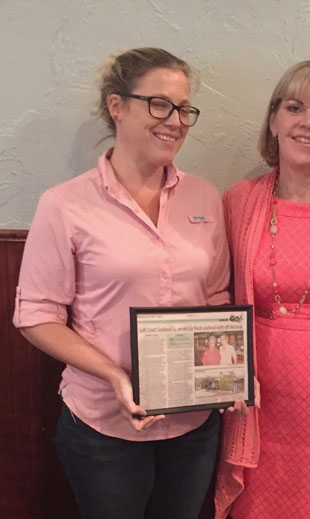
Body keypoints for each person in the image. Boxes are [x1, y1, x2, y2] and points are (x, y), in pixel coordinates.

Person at [13, 47, 230, 519]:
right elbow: (36, 316)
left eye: (183, 109)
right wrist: (114, 375)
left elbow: (215, 297)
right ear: (117, 106)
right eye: (159, 104)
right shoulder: (65, 205)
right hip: (103, 428)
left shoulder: (205, 197)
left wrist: (229, 372)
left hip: (193, 425)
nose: (174, 121)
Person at [215, 61, 310, 519]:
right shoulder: (239, 201)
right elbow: (218, 298)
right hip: (258, 403)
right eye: (294, 107)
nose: (309, 122)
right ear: (273, 119)